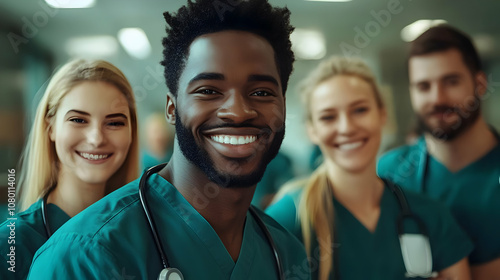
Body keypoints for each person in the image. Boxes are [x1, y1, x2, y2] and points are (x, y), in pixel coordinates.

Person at [28, 1, 310, 279]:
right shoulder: (85, 257)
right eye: (209, 90)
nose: (237, 112)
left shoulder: (286, 254)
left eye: (261, 93)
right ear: (172, 109)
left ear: (283, 106)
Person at [266, 56, 472, 280]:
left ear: (383, 114)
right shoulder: (285, 221)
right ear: (312, 131)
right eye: (328, 117)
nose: (346, 128)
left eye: (360, 110)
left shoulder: (430, 216)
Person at [377, 25, 500, 279]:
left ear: (479, 84)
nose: (437, 98)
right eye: (423, 86)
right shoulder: (386, 174)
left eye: (451, 81)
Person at [0, 59, 139, 279]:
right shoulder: (11, 243)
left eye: (114, 123)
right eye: (78, 120)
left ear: (131, 132)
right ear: (51, 128)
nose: (96, 139)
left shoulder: (141, 235)